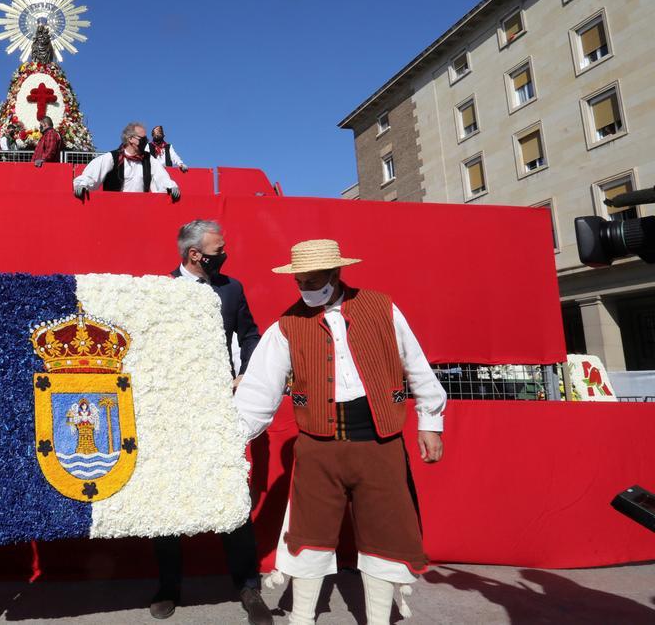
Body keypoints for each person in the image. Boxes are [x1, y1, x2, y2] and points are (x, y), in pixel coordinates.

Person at [233, 239, 447, 625]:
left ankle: (379, 620)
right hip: (318, 449)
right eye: (299, 281)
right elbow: (258, 391)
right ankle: (301, 618)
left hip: (379, 443)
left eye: (313, 280)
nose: (305, 288)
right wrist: (231, 437)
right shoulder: (286, 326)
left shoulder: (383, 308)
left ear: (336, 274)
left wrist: (431, 421)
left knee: (385, 535)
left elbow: (415, 364)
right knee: (308, 535)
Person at [150, 220, 270, 623]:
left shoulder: (231, 289)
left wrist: (246, 373)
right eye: (219, 248)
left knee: (230, 496)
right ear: (194, 255)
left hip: (220, 409)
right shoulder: (158, 291)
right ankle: (169, 586)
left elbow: (250, 335)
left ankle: (248, 587)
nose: (225, 252)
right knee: (167, 499)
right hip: (172, 412)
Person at [72, 122, 180, 200]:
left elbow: (161, 177)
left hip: (141, 211)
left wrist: (170, 187)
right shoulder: (113, 157)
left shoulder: (149, 159)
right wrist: (82, 184)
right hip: (113, 211)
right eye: (142, 138)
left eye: (146, 139)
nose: (145, 141)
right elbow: (93, 174)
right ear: (130, 138)